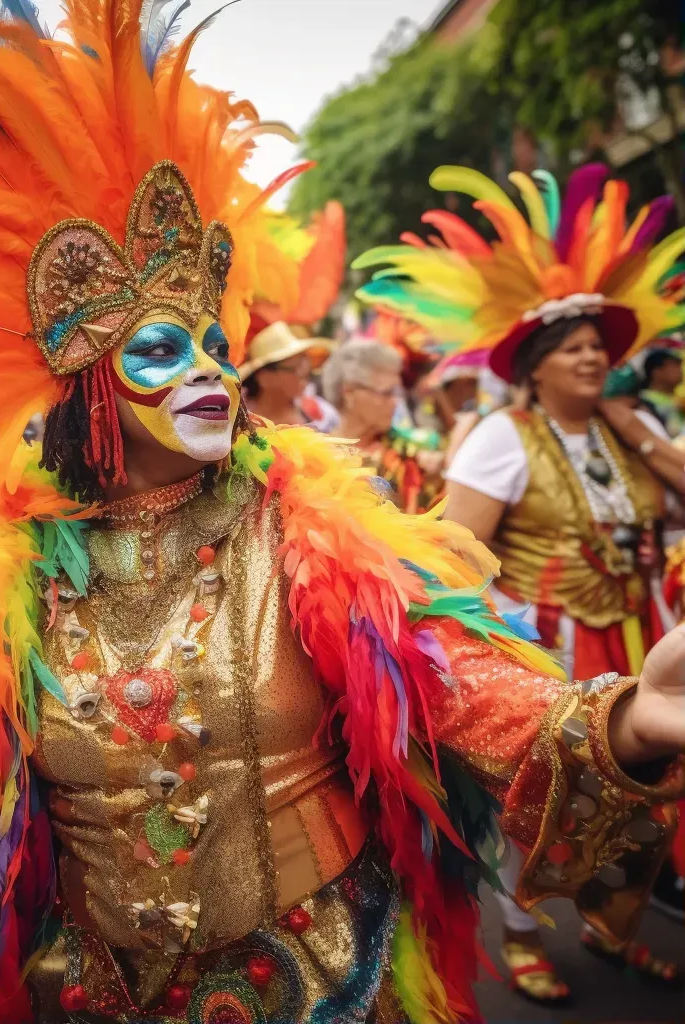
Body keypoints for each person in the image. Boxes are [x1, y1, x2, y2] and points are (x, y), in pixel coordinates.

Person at [0, 8, 685, 1024]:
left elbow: (460, 687)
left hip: (326, 974)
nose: (206, 366)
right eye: (161, 349)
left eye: (209, 339)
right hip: (104, 988)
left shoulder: (308, 531)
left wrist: (626, 722)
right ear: (85, 383)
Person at [357, 162, 685, 1004]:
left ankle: (614, 927)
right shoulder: (500, 437)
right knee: (541, 789)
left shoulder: (629, 426)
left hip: (641, 631)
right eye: (574, 348)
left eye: (600, 350)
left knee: (649, 792)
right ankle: (522, 934)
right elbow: (451, 552)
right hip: (552, 641)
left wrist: (635, 432)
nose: (592, 358)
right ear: (536, 364)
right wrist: (495, 647)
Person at [321, 340, 444, 513]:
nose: (395, 402)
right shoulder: (315, 455)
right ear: (348, 392)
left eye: (397, 393)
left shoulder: (409, 456)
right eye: (387, 393)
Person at [238, 321, 336, 428]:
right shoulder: (235, 422)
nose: (303, 373)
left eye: (304, 364)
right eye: (294, 368)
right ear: (264, 378)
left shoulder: (320, 417)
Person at [640, 348, 684, 438]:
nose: (680, 369)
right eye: (674, 365)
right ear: (657, 371)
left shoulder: (677, 401)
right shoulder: (644, 402)